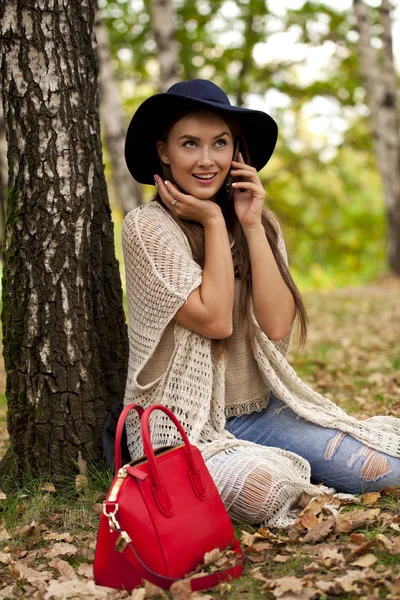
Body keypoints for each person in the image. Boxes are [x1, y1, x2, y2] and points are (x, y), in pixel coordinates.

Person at [120, 79, 400, 527]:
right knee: (265, 491)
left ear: (237, 152)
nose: (207, 159)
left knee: (386, 471)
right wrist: (212, 219)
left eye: (220, 143)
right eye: (190, 143)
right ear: (164, 151)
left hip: (260, 412)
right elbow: (215, 321)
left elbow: (276, 324)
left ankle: (289, 456)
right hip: (181, 427)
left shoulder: (258, 223)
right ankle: (275, 466)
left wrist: (249, 224)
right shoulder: (146, 228)